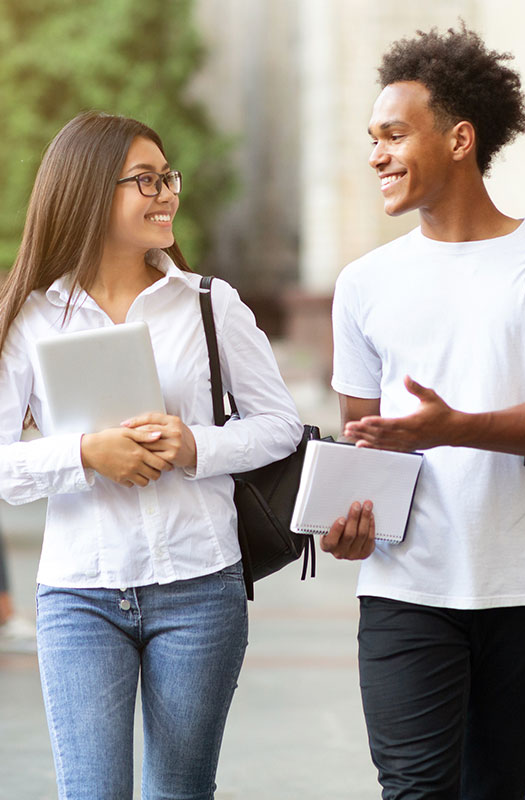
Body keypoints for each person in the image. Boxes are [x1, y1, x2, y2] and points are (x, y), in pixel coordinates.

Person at [320, 25, 525, 800]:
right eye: (370, 138)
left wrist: (455, 428)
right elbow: (366, 446)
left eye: (394, 134)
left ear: (460, 138)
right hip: (404, 588)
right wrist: (348, 524)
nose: (375, 154)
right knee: (413, 790)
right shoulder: (365, 283)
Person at [0, 111, 302, 800]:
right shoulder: (31, 317)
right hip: (80, 594)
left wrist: (198, 445)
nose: (166, 192)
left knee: (180, 791)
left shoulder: (209, 305)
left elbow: (280, 426)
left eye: (168, 177)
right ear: (86, 192)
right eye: (146, 179)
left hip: (200, 587)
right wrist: (84, 454)